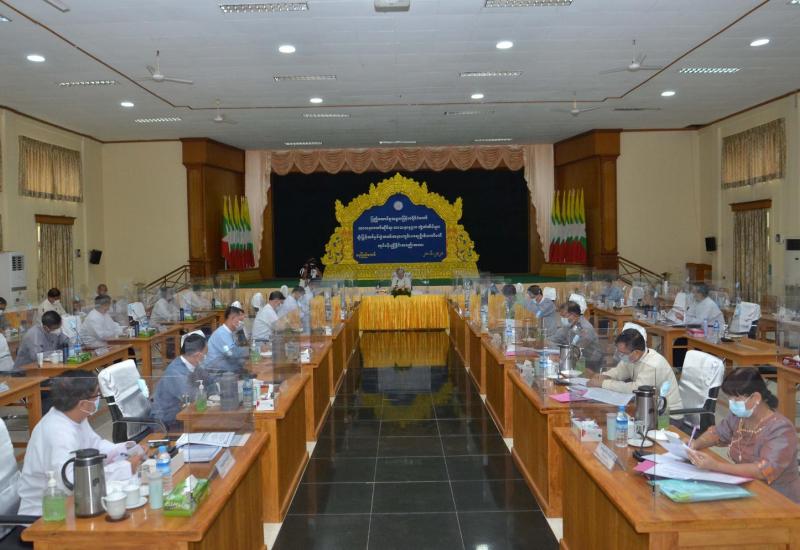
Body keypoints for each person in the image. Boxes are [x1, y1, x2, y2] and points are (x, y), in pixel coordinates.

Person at [17, 371, 146, 515]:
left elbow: (95, 445)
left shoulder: (74, 415)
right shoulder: (58, 433)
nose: (98, 399)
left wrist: (125, 449)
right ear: (83, 403)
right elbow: (72, 483)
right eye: (97, 395)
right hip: (46, 515)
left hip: (74, 503)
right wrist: (124, 468)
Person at [687, 368, 800, 503]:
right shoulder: (739, 416)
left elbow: (763, 471)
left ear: (756, 398)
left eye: (736, 398)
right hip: (746, 488)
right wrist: (695, 444)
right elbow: (718, 433)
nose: (731, 404)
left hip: (778, 498)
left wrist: (716, 466)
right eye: (729, 398)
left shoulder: (781, 429)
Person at [587, 328, 683, 412]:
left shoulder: (652, 365)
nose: (620, 356)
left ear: (636, 352)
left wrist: (603, 383)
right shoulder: (632, 356)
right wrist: (605, 376)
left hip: (667, 414)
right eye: (619, 352)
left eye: (622, 353)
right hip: (649, 408)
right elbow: (619, 371)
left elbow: (636, 389)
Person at [152, 331, 214, 429]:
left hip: (185, 414)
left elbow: (210, 381)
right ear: (198, 355)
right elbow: (194, 397)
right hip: (168, 422)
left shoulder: (194, 364)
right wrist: (210, 394)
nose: (207, 357)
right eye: (206, 354)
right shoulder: (176, 372)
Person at [550, 301, 604, 371]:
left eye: (563, 316)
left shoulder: (585, 328)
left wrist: (560, 356)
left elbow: (578, 349)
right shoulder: (569, 325)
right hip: (574, 358)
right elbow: (555, 338)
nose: (562, 319)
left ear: (573, 314)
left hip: (590, 362)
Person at [205, 304, 249, 373]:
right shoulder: (222, 334)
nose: (241, 323)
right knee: (247, 368)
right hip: (214, 368)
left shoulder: (229, 332)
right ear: (232, 318)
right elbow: (232, 353)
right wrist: (251, 350)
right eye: (240, 320)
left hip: (223, 362)